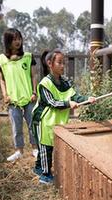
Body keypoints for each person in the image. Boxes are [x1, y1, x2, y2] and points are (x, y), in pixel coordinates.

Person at [32, 48, 95, 184]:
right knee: (45, 147)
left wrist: (86, 99)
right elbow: (52, 102)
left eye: (64, 63)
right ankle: (45, 175)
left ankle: (37, 168)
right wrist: (68, 103)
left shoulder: (65, 82)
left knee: (50, 146)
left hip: (55, 121)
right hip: (42, 120)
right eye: (59, 63)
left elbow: (74, 96)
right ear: (50, 63)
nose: (62, 66)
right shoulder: (44, 83)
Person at [0, 28, 38, 162]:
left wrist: (34, 92)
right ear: (8, 41)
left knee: (33, 124)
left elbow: (33, 76)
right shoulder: (1, 59)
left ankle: (35, 149)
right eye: (14, 39)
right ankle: (19, 151)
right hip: (13, 101)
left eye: (19, 38)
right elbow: (1, 79)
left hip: (29, 98)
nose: (18, 42)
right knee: (16, 126)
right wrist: (5, 95)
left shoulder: (28, 57)